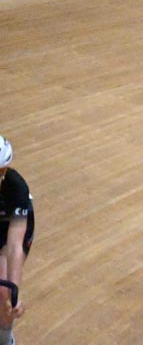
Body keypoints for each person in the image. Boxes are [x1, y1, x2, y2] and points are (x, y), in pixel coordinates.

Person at [0, 137, 35, 345]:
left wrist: (13, 294)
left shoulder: (17, 189)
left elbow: (14, 247)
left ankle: (5, 339)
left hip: (10, 234)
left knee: (3, 292)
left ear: (3, 173)